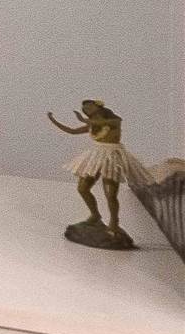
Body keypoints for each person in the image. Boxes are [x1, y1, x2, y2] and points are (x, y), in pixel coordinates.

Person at [47, 99, 142, 248]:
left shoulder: (114, 121)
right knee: (82, 188)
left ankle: (114, 223)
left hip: (111, 157)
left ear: (98, 107)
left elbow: (112, 122)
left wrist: (84, 120)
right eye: (85, 108)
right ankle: (95, 216)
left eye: (89, 107)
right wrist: (54, 121)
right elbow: (72, 131)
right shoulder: (92, 125)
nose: (86, 110)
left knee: (110, 194)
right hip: (96, 155)